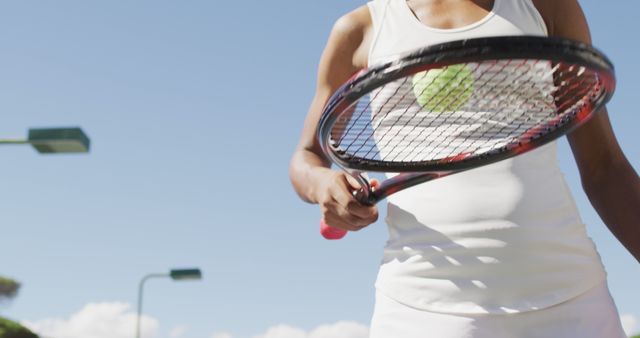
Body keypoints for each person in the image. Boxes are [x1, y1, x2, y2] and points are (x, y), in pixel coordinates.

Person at [289, 0, 640, 337]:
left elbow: (605, 168)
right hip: (423, 306)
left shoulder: (547, 6)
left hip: (571, 298)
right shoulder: (359, 30)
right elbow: (307, 158)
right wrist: (323, 184)